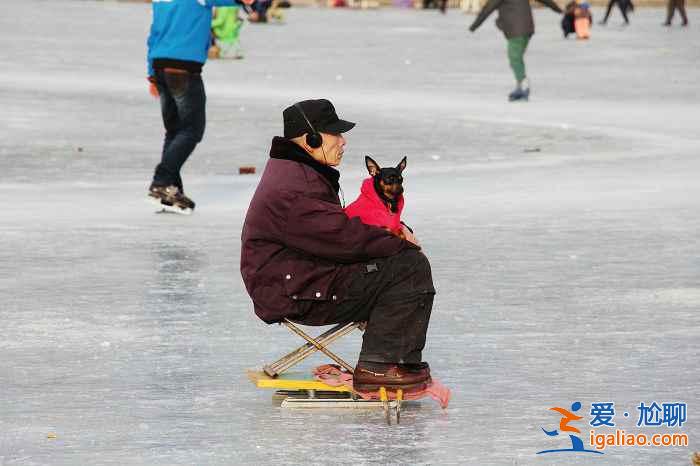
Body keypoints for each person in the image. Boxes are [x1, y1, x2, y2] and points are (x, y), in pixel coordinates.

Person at [240, 99, 436, 390]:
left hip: (297, 277)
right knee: (408, 265)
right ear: (312, 138)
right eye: (336, 134)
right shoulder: (297, 186)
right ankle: (380, 367)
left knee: (400, 260)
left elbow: (333, 234)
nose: (343, 142)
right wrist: (397, 242)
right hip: (292, 289)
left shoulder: (297, 171)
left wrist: (394, 232)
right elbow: (342, 238)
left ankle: (393, 361)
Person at [146, 0, 251, 213]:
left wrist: (151, 73)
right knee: (192, 130)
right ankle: (162, 181)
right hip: (183, 67)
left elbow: (154, 33)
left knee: (175, 131)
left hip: (160, 64)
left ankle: (170, 190)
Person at [469, 0, 562, 101]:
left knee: (514, 57)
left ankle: (523, 84)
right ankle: (520, 86)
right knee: (516, 58)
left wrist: (474, 25)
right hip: (527, 28)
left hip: (516, 29)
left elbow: (488, 8)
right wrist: (557, 9)